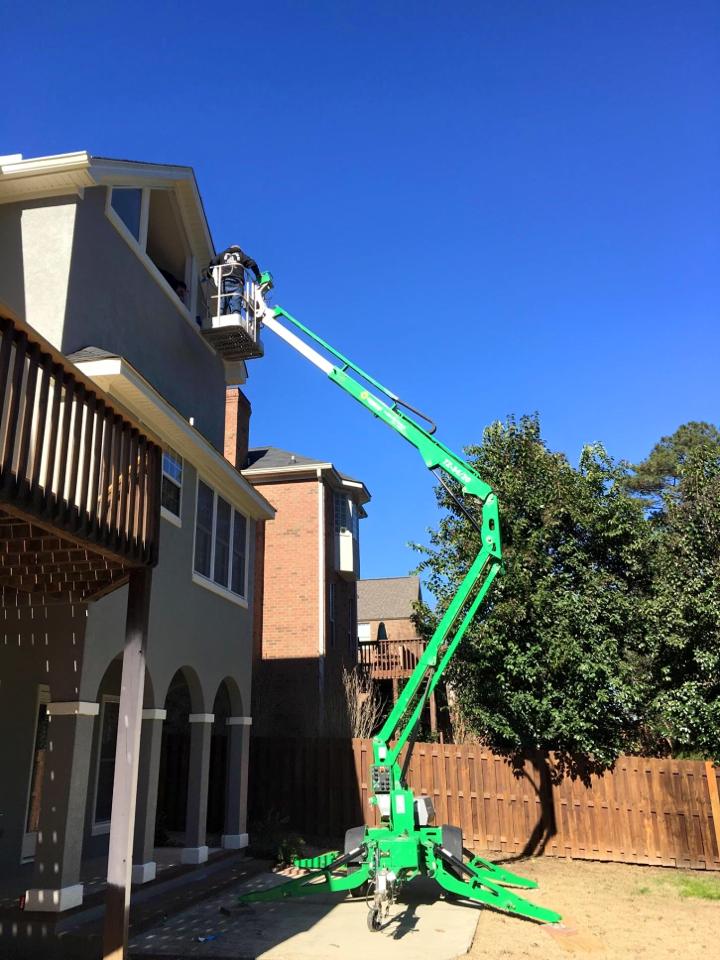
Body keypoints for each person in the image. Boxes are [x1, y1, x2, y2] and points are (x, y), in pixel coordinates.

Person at [206, 245, 262, 315]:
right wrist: (258, 275)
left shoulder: (222, 254)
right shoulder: (241, 255)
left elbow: (213, 262)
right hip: (237, 282)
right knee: (236, 303)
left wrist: (209, 274)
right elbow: (252, 263)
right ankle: (235, 314)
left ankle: (220, 315)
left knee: (222, 302)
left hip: (224, 282)